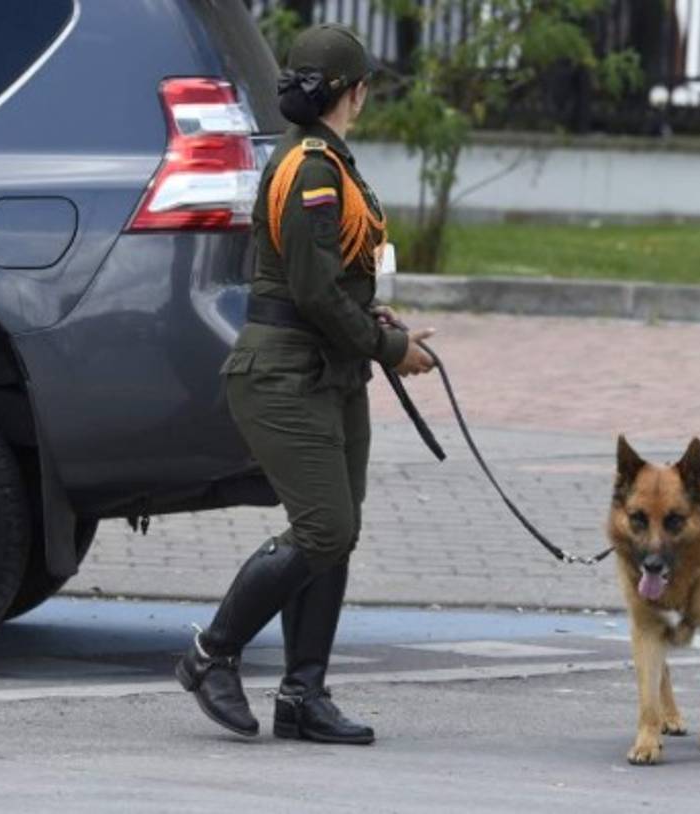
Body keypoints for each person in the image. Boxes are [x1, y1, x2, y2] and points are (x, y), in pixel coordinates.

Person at [175, 23, 435, 746]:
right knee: (326, 527)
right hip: (285, 373)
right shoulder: (313, 169)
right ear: (355, 91)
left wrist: (375, 323)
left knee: (334, 537)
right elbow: (313, 294)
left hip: (330, 373)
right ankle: (209, 653)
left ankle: (303, 696)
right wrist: (390, 346)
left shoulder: (329, 164)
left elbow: (333, 281)